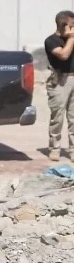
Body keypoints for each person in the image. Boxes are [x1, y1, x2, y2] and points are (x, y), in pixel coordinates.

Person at [43, 10, 74, 161]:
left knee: (73, 118)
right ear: (63, 25)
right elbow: (64, 55)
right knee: (57, 117)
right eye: (72, 24)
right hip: (60, 81)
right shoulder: (51, 41)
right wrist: (72, 38)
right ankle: (54, 148)